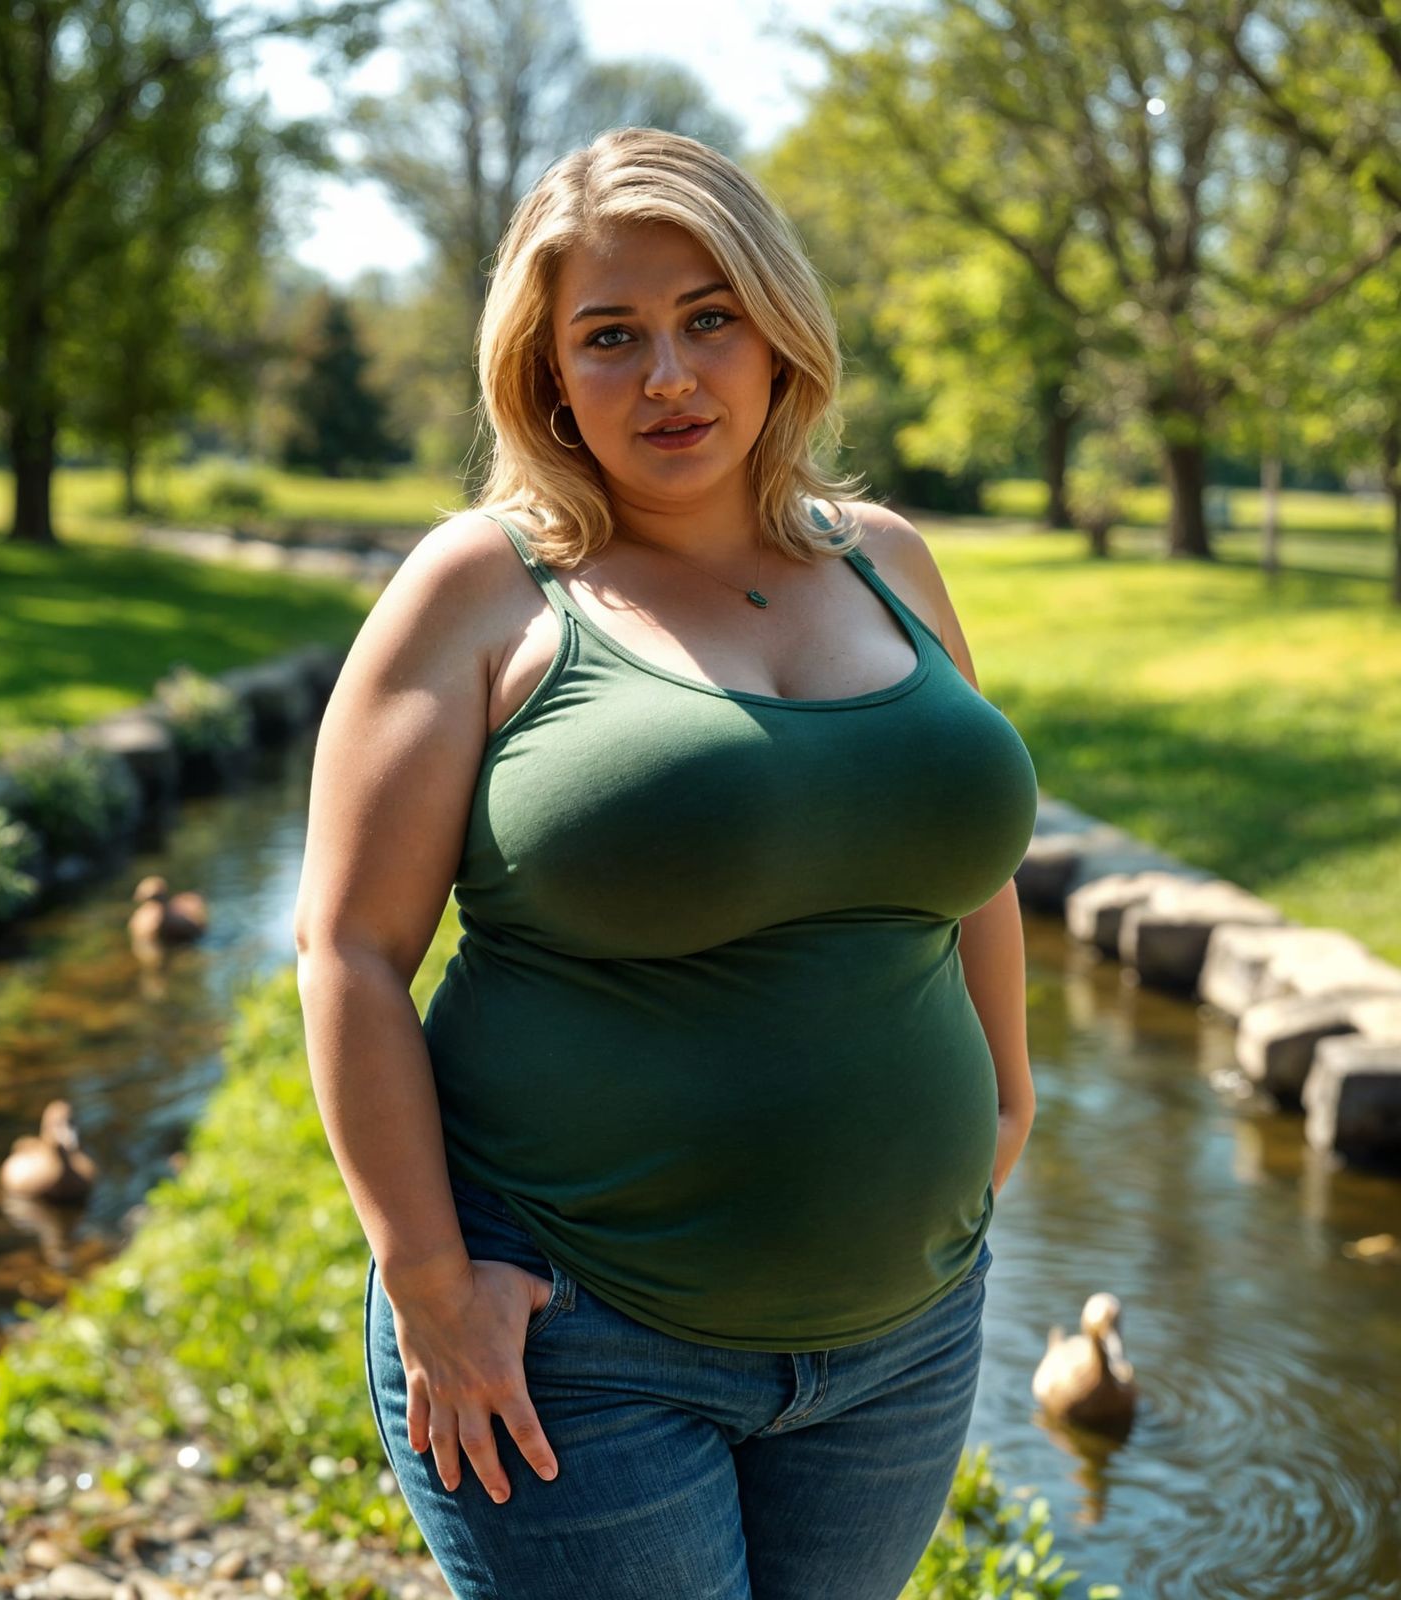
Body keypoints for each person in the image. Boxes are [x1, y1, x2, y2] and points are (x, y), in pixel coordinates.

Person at [293, 125, 1040, 1600]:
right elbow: (350, 951)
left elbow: (964, 873)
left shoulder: (888, 556)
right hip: (575, 1343)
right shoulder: (482, 587)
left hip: (905, 1333)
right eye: (611, 337)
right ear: (549, 376)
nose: (670, 376)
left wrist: (1006, 1103)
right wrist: (430, 1279)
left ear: (776, 328)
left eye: (708, 318)